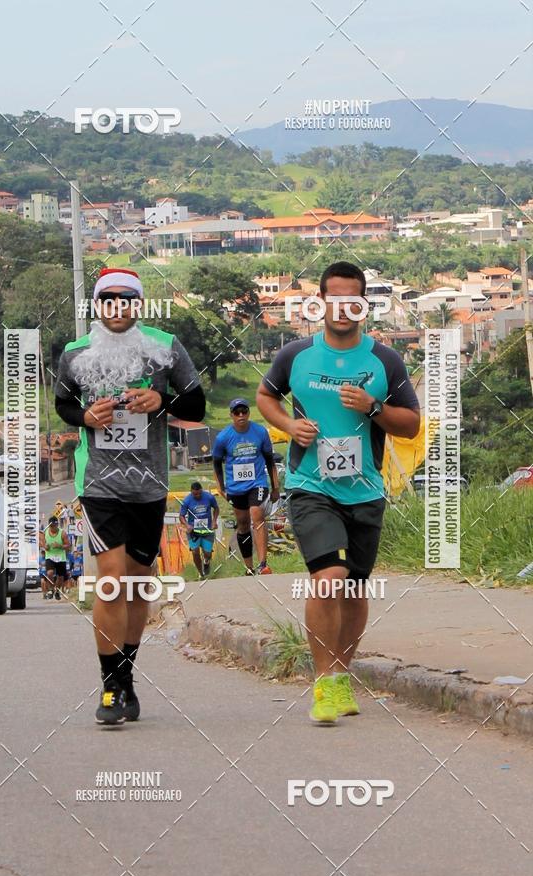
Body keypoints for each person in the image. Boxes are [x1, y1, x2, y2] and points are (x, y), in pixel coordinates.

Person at [257, 261, 420, 725]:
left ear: (363, 305)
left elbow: (411, 425)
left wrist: (374, 407)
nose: (343, 308)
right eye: (335, 298)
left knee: (352, 586)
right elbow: (266, 396)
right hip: (311, 486)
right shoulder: (296, 355)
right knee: (328, 577)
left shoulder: (384, 361)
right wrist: (289, 425)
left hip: (365, 489)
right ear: (321, 303)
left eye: (353, 300)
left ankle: (342, 676)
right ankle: (323, 682)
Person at [55, 267, 205, 726]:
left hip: (149, 484)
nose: (116, 307)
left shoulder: (164, 346)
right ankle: (109, 689)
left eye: (126, 299)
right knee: (112, 577)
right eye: (107, 299)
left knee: (140, 580)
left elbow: (197, 405)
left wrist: (161, 403)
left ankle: (126, 678)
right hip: (99, 482)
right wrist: (86, 417)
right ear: (97, 305)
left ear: (138, 305)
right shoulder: (75, 352)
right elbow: (62, 405)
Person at [212, 398, 279, 576]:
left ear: (249, 413)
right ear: (231, 415)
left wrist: (275, 487)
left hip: (257, 482)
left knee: (257, 514)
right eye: (237, 412)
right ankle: (249, 567)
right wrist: (221, 487)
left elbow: (270, 460)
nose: (241, 415)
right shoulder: (223, 437)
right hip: (236, 487)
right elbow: (217, 463)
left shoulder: (260, 432)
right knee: (242, 524)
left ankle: (263, 563)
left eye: (244, 411)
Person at [179, 482, 219, 577]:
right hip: (193, 531)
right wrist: (187, 525)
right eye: (195, 494)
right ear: (191, 492)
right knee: (195, 551)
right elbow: (181, 516)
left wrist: (214, 521)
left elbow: (216, 509)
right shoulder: (187, 500)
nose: (197, 496)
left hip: (207, 530)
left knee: (207, 553)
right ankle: (201, 573)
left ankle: (206, 562)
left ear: (202, 490)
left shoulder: (209, 497)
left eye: (199, 493)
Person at [39, 516, 70, 599]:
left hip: (61, 557)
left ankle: (57, 590)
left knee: (60, 577)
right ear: (49, 526)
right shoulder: (45, 533)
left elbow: (68, 545)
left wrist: (60, 546)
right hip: (50, 556)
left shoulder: (62, 533)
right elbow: (41, 543)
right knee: (49, 573)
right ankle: (51, 589)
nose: (54, 528)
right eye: (52, 526)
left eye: (55, 526)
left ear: (57, 525)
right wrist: (45, 546)